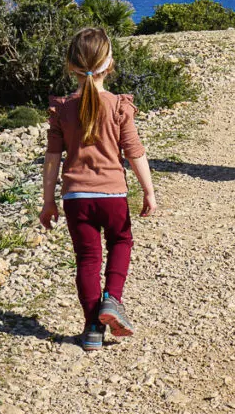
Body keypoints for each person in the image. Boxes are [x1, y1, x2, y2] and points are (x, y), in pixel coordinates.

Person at [39, 26, 157, 351]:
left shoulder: (62, 109)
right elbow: (135, 152)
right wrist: (148, 191)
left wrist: (48, 201)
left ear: (70, 66)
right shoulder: (118, 106)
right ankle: (112, 301)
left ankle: (92, 329)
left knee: (87, 259)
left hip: (76, 198)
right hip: (113, 196)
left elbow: (52, 159)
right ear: (110, 63)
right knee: (121, 240)